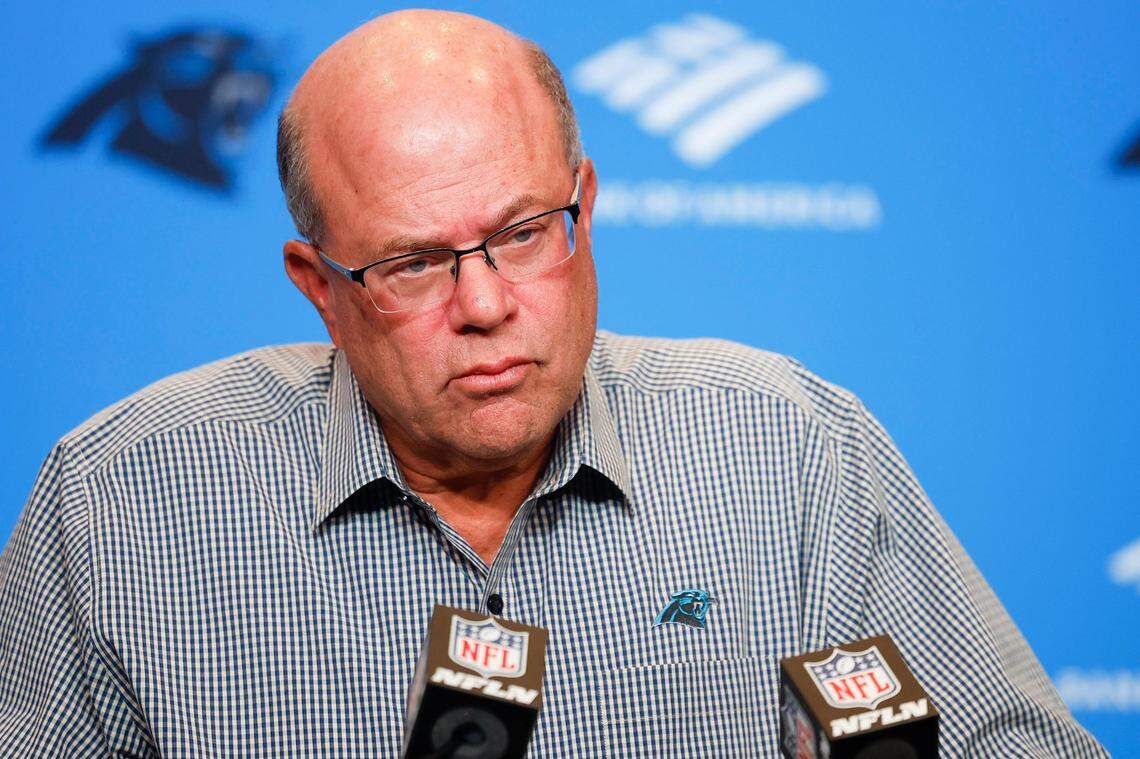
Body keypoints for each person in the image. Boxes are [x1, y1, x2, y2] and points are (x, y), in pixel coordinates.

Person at [0, 10, 1106, 758]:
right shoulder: (119, 506)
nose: (483, 304)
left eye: (526, 233)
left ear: (583, 205)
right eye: (415, 264)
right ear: (318, 286)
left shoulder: (794, 452)